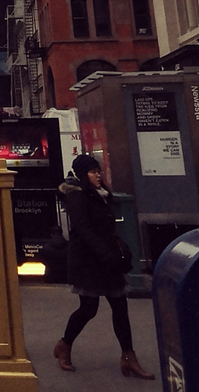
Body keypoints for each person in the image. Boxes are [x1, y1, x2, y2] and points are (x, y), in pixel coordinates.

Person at [53, 154, 153, 378]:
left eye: (98, 171)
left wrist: (118, 251)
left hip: (108, 260)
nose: (97, 175)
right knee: (88, 309)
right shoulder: (78, 197)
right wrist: (104, 254)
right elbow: (84, 231)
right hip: (88, 262)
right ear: (82, 175)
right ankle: (64, 345)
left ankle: (128, 357)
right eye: (92, 172)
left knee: (120, 307)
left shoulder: (103, 196)